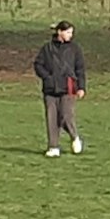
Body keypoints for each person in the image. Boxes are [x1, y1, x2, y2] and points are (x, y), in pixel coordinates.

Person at [33, 20, 87, 157]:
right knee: (52, 117)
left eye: (71, 32)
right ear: (60, 32)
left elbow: (80, 69)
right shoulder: (47, 48)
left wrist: (81, 87)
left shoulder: (75, 49)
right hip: (50, 89)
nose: (70, 35)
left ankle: (75, 137)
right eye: (68, 32)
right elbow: (38, 65)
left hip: (68, 87)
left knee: (65, 116)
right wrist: (47, 77)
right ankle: (53, 147)